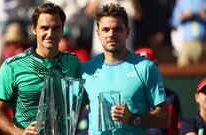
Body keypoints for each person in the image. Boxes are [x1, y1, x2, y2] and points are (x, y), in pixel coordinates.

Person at [0, 2, 81, 135]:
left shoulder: (73, 62)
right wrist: (20, 133)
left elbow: (84, 100)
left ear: (62, 29)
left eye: (56, 28)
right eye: (44, 28)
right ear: (34, 29)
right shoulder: (12, 66)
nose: (50, 34)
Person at [80, 3, 170, 134]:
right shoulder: (86, 69)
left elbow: (164, 119)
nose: (111, 34)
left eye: (117, 29)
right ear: (98, 34)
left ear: (127, 32)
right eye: (105, 30)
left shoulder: (145, 68)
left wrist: (133, 118)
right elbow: (72, 113)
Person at [135, 48, 183, 135]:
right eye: (139, 69)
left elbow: (177, 129)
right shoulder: (126, 95)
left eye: (149, 68)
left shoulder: (170, 97)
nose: (145, 73)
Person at [171, 0, 206, 67]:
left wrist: (203, 14)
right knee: (182, 71)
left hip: (204, 43)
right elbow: (174, 22)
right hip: (188, 43)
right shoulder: (182, 2)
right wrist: (183, 16)